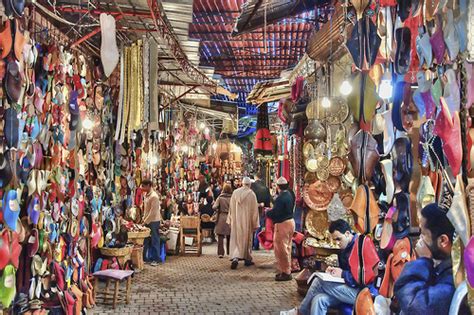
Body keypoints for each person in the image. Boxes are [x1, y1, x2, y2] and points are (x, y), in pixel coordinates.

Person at [393, 203, 455, 315]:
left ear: (443, 240)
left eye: (424, 234)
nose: (420, 239)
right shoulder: (445, 267)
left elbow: (414, 305)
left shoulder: (453, 279)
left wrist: (423, 260)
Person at [293, 219, 360, 315]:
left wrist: (342, 273)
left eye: (338, 239)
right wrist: (334, 271)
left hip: (359, 293)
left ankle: (301, 312)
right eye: (335, 240)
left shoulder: (359, 247)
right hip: (346, 289)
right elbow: (345, 272)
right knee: (318, 299)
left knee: (319, 281)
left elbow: (360, 279)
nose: (336, 243)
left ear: (347, 233)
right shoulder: (344, 247)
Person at [266, 177, 295, 281]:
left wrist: (267, 212)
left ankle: (286, 272)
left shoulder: (281, 198)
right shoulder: (290, 194)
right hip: (290, 222)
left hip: (282, 224)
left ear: (278, 187)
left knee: (281, 249)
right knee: (287, 247)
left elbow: (275, 213)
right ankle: (286, 270)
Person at [227, 176, 259, 269]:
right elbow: (254, 211)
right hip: (247, 222)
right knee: (246, 240)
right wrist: (255, 223)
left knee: (236, 240)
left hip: (236, 221)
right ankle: (247, 258)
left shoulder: (235, 193)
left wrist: (230, 220)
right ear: (250, 184)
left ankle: (235, 258)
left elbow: (231, 208)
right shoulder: (252, 194)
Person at [141, 179, 162, 266]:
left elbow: (153, 212)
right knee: (145, 240)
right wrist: (143, 218)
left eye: (144, 186)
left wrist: (145, 221)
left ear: (149, 185)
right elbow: (147, 210)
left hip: (153, 221)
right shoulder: (146, 195)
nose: (142, 188)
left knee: (154, 239)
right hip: (147, 220)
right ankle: (145, 258)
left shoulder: (154, 196)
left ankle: (156, 259)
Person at [251, 172, 272, 250]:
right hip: (262, 209)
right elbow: (268, 200)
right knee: (258, 226)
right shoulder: (265, 187)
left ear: (255, 177)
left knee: (252, 226)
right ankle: (256, 244)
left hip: (253, 208)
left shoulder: (252, 186)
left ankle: (251, 243)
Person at [213, 184, 232, 258]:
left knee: (220, 236)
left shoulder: (220, 198)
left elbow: (214, 206)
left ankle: (221, 253)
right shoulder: (232, 198)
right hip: (230, 217)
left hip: (221, 217)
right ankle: (229, 251)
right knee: (229, 236)